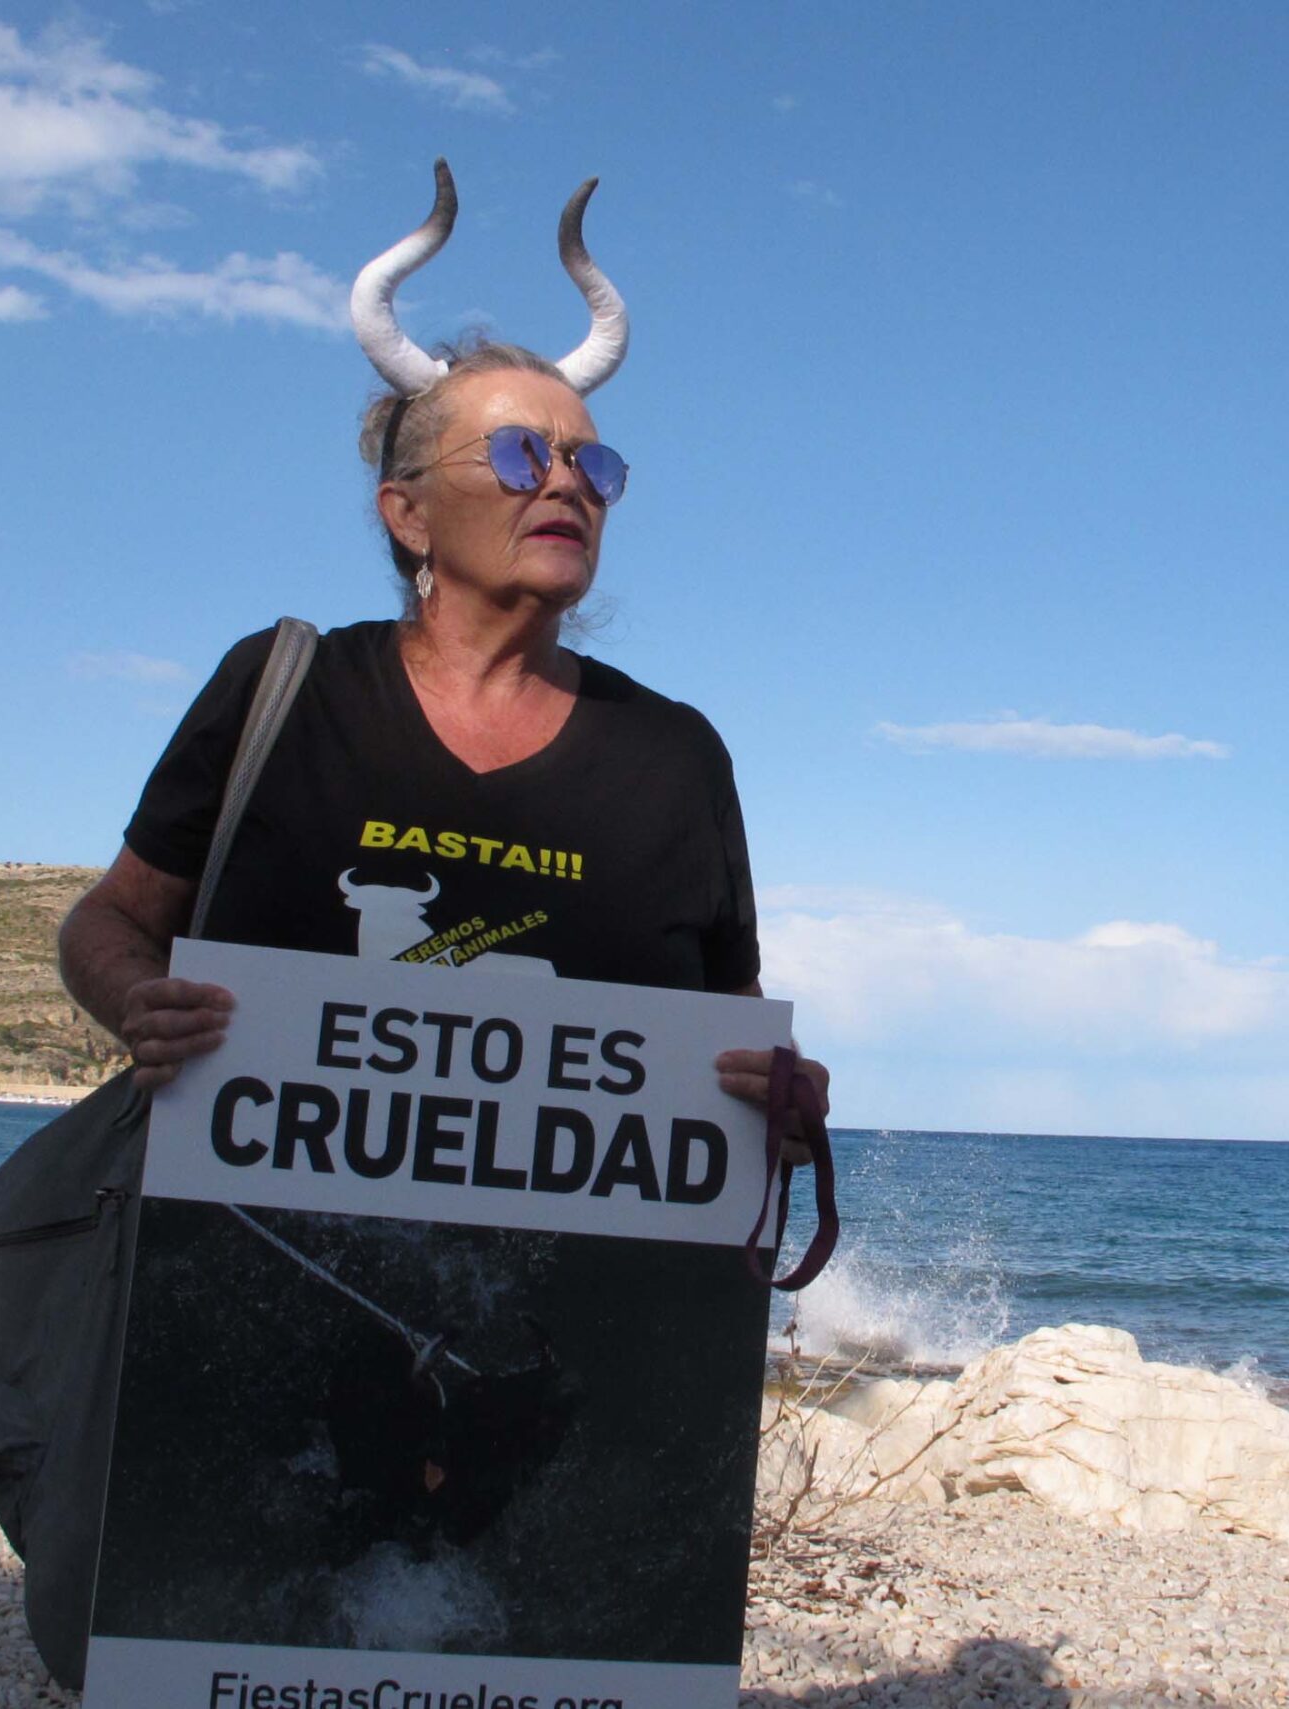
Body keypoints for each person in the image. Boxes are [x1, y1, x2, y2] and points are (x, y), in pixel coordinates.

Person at [57, 158, 825, 1129]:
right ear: (407, 513)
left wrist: (783, 1091)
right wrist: (135, 997)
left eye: (592, 462)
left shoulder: (677, 756)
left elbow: (730, 1023)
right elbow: (112, 918)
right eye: (516, 454)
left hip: (577, 1282)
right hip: (258, 1264)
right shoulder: (279, 691)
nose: (565, 483)